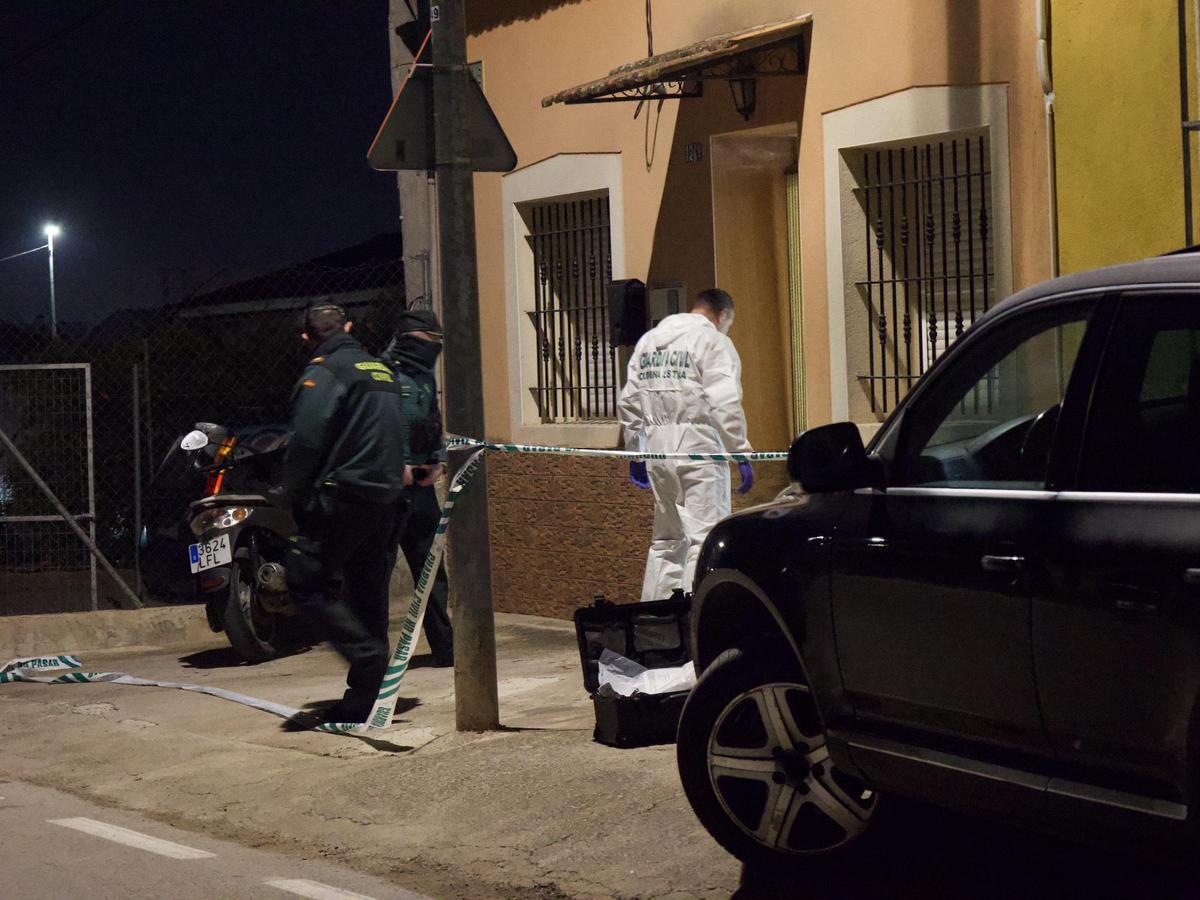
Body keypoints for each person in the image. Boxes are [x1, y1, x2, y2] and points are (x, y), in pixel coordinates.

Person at [282, 301, 414, 725]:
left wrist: (292, 492)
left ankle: (367, 656)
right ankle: (366, 700)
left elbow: (306, 440)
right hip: (385, 497)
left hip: (343, 496)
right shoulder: (382, 372)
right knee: (367, 590)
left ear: (307, 336)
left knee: (304, 581)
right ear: (350, 327)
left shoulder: (326, 372)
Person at [617, 288, 753, 603]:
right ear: (722, 315)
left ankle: (654, 619)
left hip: (658, 452)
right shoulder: (713, 341)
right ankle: (695, 621)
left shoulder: (650, 342)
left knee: (666, 540)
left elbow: (630, 401)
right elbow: (725, 402)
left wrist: (637, 451)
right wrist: (740, 452)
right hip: (700, 450)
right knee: (703, 539)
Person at [382, 308, 454, 668]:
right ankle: (374, 656)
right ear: (410, 339)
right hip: (388, 491)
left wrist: (437, 461)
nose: (435, 347)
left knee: (431, 570)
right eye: (430, 340)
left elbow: (432, 420)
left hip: (422, 488)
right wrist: (396, 466)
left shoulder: (424, 377)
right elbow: (377, 428)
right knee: (377, 573)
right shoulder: (382, 376)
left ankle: (445, 647)